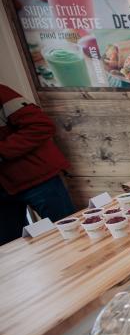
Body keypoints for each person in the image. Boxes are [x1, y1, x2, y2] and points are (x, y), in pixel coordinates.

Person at [0, 84, 74, 245]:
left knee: (69, 231)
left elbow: (41, 126)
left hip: (38, 179)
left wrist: (2, 151)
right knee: (10, 249)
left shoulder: (2, 94)